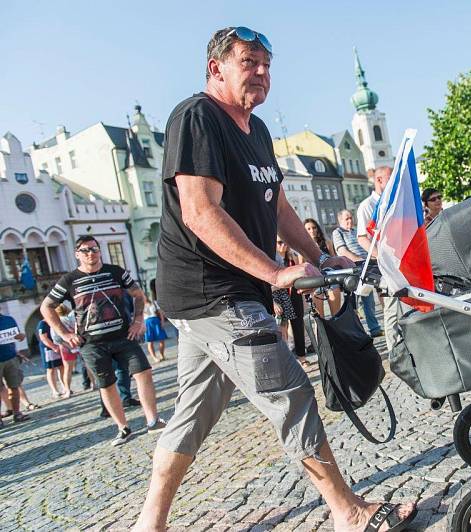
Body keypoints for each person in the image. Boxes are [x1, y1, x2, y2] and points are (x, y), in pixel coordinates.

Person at [134, 27, 416, 532]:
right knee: (291, 395)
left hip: (223, 294)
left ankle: (148, 523)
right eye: (249, 61)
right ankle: (347, 513)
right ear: (216, 67)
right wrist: (275, 271)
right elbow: (201, 213)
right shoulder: (197, 118)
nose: (262, 72)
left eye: (267, 63)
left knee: (192, 416)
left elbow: (278, 203)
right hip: (213, 294)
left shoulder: (257, 130)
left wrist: (319, 256)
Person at [41, 235, 166, 446]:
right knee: (106, 384)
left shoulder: (115, 272)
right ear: (77, 254)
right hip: (91, 343)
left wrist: (137, 321)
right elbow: (46, 307)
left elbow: (137, 294)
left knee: (143, 373)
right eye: (86, 250)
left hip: (123, 335)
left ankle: (153, 421)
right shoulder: (69, 280)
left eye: (95, 249)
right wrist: (65, 334)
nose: (91, 253)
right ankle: (123, 428)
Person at [357, 165, 405, 352]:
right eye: (390, 179)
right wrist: (382, 257)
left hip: (401, 261)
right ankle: (395, 351)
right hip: (387, 265)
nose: (394, 184)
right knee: (392, 306)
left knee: (406, 303)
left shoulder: (394, 202)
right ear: (379, 180)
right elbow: (362, 238)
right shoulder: (367, 206)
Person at [332, 209, 382, 337]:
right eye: (346, 218)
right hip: (352, 269)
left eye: (350, 217)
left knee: (369, 300)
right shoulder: (337, 232)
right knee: (352, 303)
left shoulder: (356, 231)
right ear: (340, 220)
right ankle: (357, 332)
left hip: (366, 267)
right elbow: (342, 251)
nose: (350, 220)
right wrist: (358, 260)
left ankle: (374, 329)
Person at [275, 239, 308, 365]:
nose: (284, 245)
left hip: (294, 292)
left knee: (298, 323)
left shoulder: (292, 256)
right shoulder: (272, 258)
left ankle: (302, 357)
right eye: (279, 242)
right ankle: (287, 358)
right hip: (279, 294)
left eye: (285, 242)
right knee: (283, 327)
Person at [303, 218, 342, 317]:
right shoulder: (302, 247)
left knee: (336, 314)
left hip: (330, 279)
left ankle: (337, 332)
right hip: (315, 282)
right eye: (308, 229)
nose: (312, 230)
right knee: (319, 317)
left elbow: (334, 261)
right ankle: (322, 333)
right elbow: (301, 266)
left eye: (314, 227)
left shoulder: (327, 243)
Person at [0, 311, 30, 425]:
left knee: (14, 386)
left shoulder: (9, 320)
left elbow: (16, 336)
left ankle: (17, 413)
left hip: (11, 357)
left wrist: (21, 336)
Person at [51, 303, 80, 398]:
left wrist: (65, 345)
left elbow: (56, 338)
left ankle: (67, 390)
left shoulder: (56, 322)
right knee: (88, 366)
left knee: (67, 370)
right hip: (79, 343)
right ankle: (93, 384)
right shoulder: (73, 316)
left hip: (66, 346)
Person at [36, 318, 65, 398]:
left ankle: (65, 387)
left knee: (61, 367)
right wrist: (53, 347)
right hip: (48, 349)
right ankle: (55, 390)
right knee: (51, 369)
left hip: (58, 347)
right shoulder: (42, 324)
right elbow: (43, 338)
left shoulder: (54, 321)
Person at [143, 292, 168, 363]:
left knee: (162, 339)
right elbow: (140, 316)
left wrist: (162, 321)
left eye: (144, 295)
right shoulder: (140, 305)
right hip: (147, 323)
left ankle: (162, 355)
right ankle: (154, 358)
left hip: (156, 321)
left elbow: (160, 312)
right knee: (150, 341)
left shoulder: (154, 303)